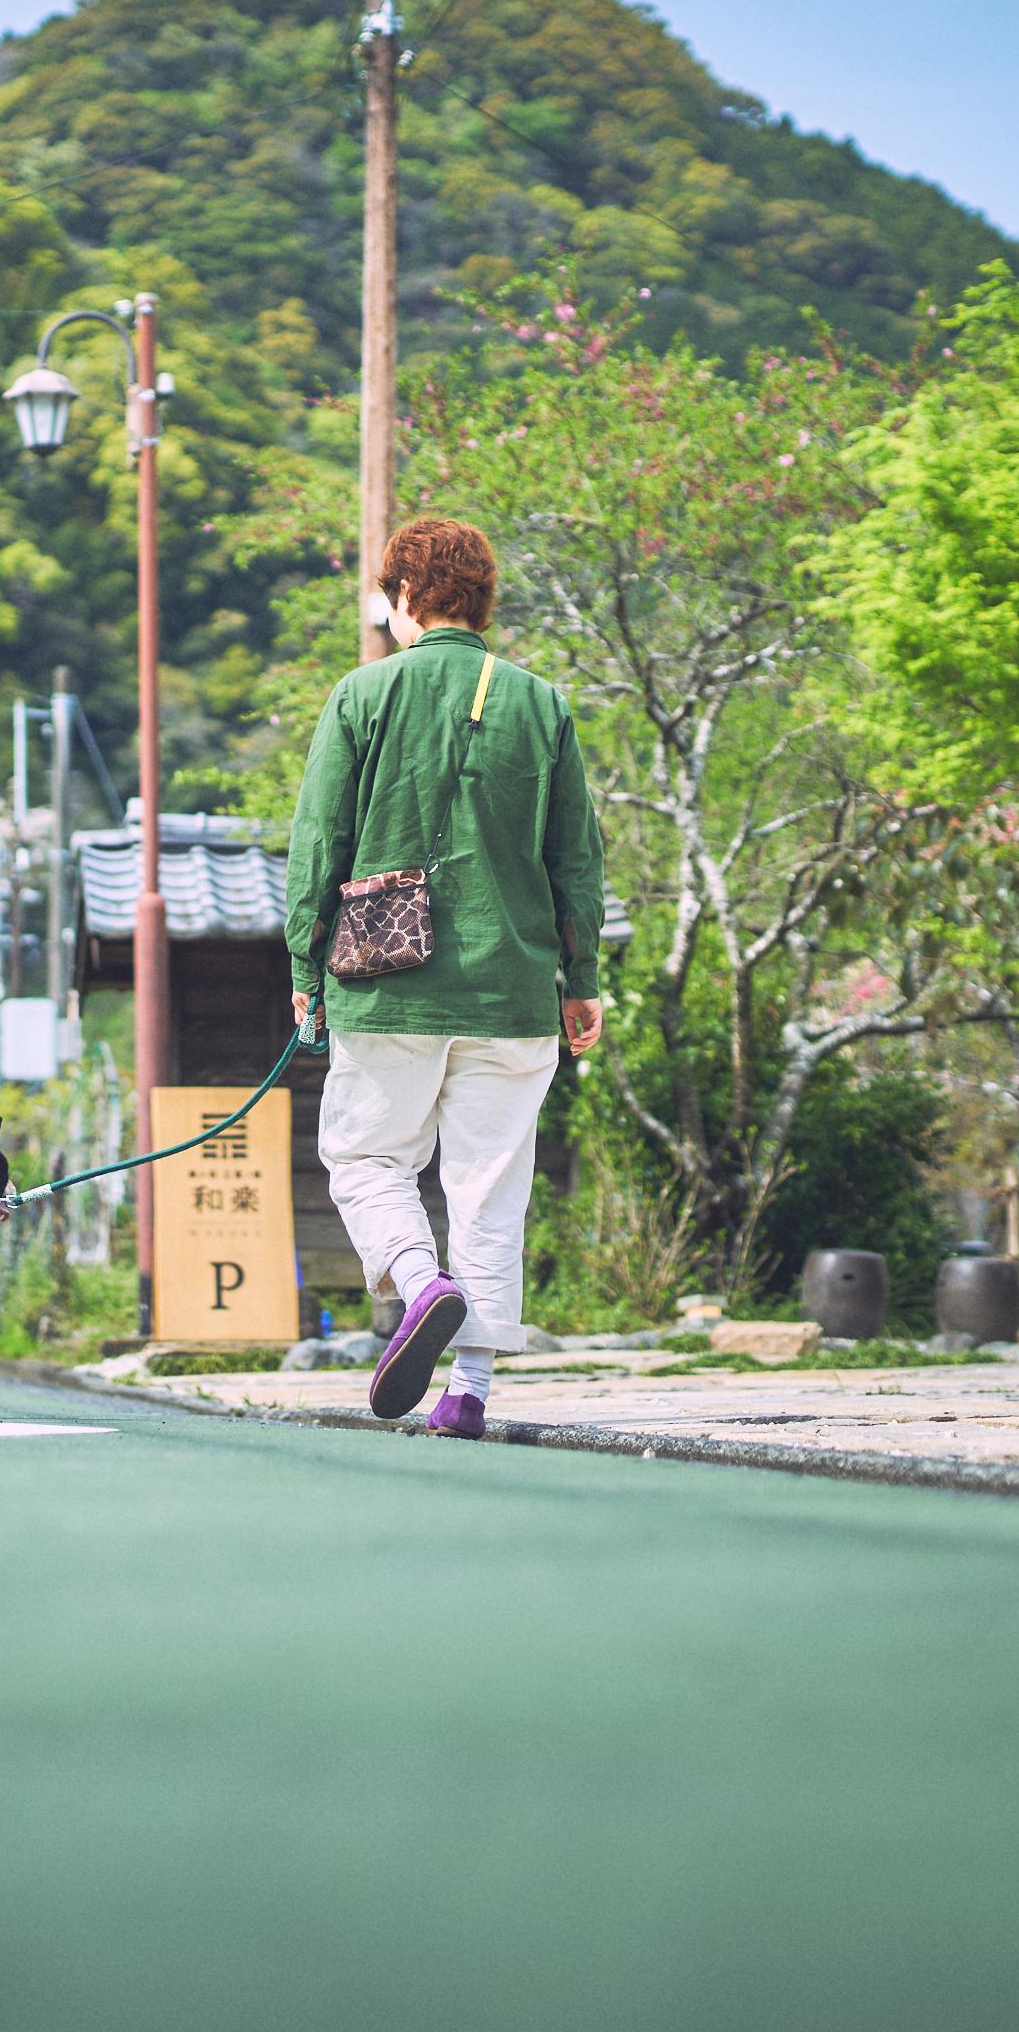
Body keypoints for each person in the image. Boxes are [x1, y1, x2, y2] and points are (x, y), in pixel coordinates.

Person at [285, 517, 605, 1438]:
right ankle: (468, 1393)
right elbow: (574, 858)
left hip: (388, 985)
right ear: (481, 598)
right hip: (513, 993)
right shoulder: (541, 703)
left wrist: (305, 964)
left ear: (404, 597)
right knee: (490, 1184)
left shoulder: (362, 695)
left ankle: (421, 1285)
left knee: (365, 1157)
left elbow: (319, 844)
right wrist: (579, 979)